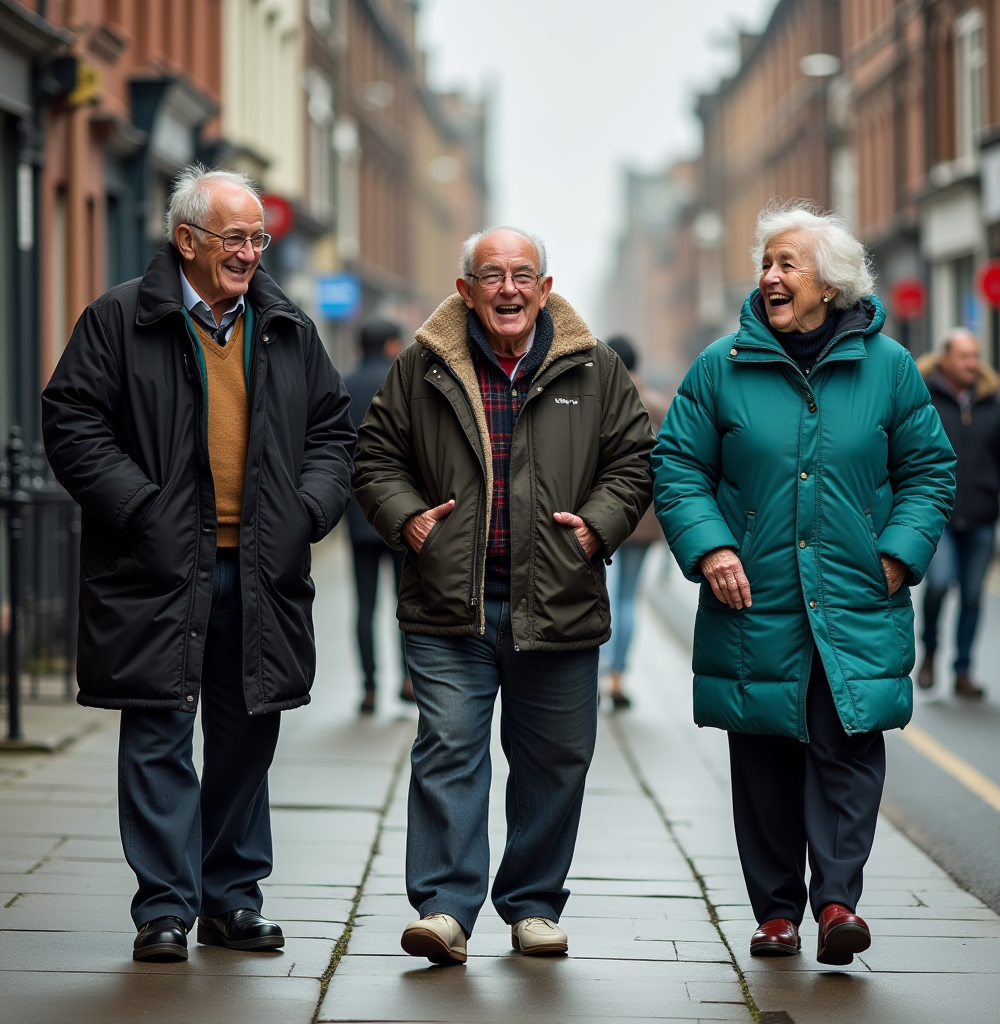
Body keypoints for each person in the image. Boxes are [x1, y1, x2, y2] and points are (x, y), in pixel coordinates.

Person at [41, 165, 355, 963]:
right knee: (157, 736)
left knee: (249, 735)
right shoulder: (119, 319)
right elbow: (72, 420)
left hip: (260, 569)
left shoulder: (286, 326)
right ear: (187, 240)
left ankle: (232, 899)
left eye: (258, 238)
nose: (251, 252)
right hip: (156, 567)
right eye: (235, 237)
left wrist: (306, 514)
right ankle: (165, 910)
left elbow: (333, 434)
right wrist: (143, 510)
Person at [652, 199, 955, 967]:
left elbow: (928, 470)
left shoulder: (889, 368)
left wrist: (898, 552)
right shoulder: (721, 366)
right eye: (767, 263)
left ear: (832, 283)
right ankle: (778, 913)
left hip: (858, 593)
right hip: (754, 598)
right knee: (765, 760)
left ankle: (838, 904)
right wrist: (713, 548)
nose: (771, 276)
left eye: (788, 263)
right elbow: (678, 466)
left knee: (849, 749)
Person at [354, 226, 654, 964]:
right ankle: (446, 910)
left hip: (557, 599)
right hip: (448, 605)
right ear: (466, 290)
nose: (509, 289)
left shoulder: (596, 367)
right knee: (448, 752)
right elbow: (373, 457)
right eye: (492, 275)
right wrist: (406, 519)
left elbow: (636, 460)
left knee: (555, 759)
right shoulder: (422, 366)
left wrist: (597, 528)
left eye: (524, 274)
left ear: (546, 288)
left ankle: (532, 906)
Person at [916, 329, 1000, 698]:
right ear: (944, 359)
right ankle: (930, 650)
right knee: (940, 582)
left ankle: (963, 671)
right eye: (964, 356)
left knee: (974, 596)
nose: (972, 363)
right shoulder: (924, 399)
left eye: (975, 356)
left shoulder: (994, 405)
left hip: (981, 516)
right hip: (937, 517)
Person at [343, 318, 414, 714]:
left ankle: (369, 687)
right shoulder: (401, 382)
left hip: (357, 514)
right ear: (390, 346)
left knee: (364, 604)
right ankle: (407, 677)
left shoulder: (344, 384)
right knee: (404, 601)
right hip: (399, 514)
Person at [600, 335, 669, 709]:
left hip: (604, 516)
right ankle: (617, 677)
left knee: (601, 596)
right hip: (644, 519)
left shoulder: (601, 400)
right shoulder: (657, 405)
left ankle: (595, 672)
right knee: (628, 597)